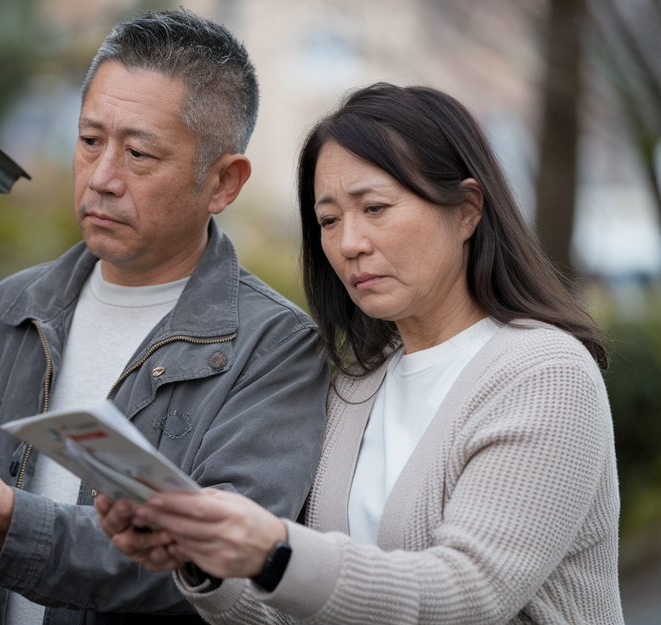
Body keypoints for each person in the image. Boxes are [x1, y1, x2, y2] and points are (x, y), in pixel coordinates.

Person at [0, 8, 328, 625]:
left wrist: (9, 520)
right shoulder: (14, 308)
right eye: (90, 142)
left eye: (140, 154)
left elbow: (218, 572)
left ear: (224, 182)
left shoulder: (275, 348)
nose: (102, 178)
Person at [98, 82, 623, 625]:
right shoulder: (353, 385)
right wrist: (201, 554)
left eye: (374, 207)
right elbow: (312, 600)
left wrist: (274, 550)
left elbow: (468, 594)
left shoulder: (545, 375)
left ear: (466, 211)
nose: (349, 243)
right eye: (328, 220)